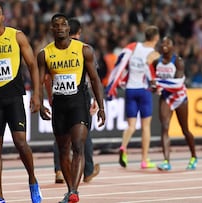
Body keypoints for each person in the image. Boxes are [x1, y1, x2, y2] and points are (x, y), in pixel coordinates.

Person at [38, 13, 106, 203]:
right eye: (56, 25)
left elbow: (94, 79)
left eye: (63, 25)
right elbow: (41, 80)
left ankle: (74, 192)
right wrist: (40, 101)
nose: (60, 27)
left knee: (78, 146)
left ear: (69, 29)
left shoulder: (84, 50)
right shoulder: (45, 53)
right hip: (59, 105)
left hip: (78, 102)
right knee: (63, 148)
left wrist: (101, 106)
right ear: (52, 29)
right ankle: (70, 189)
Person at [0, 2, 42, 203]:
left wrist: (36, 94)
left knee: (20, 142)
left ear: (3, 16)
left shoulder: (16, 36)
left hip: (15, 97)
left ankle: (33, 181)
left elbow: (32, 65)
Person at [47, 18, 100, 184]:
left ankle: (59, 171)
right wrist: (97, 101)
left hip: (62, 98)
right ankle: (88, 170)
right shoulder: (85, 48)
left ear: (69, 30)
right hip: (80, 95)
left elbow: (48, 79)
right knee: (82, 139)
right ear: (79, 32)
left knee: (62, 141)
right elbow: (93, 78)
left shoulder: (82, 49)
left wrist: (49, 96)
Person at [106, 25, 160, 169]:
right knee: (146, 126)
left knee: (131, 126)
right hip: (144, 91)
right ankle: (144, 160)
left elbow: (121, 63)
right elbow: (154, 74)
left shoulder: (133, 47)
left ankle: (123, 147)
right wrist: (157, 87)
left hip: (130, 90)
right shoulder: (154, 53)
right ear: (156, 38)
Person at [152, 36, 198, 171]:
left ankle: (194, 156)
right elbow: (154, 82)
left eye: (168, 43)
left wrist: (159, 83)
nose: (164, 45)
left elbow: (178, 84)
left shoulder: (178, 62)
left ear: (172, 46)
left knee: (185, 130)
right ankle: (166, 161)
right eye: (163, 43)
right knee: (165, 126)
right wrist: (154, 87)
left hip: (179, 97)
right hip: (166, 97)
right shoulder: (156, 62)